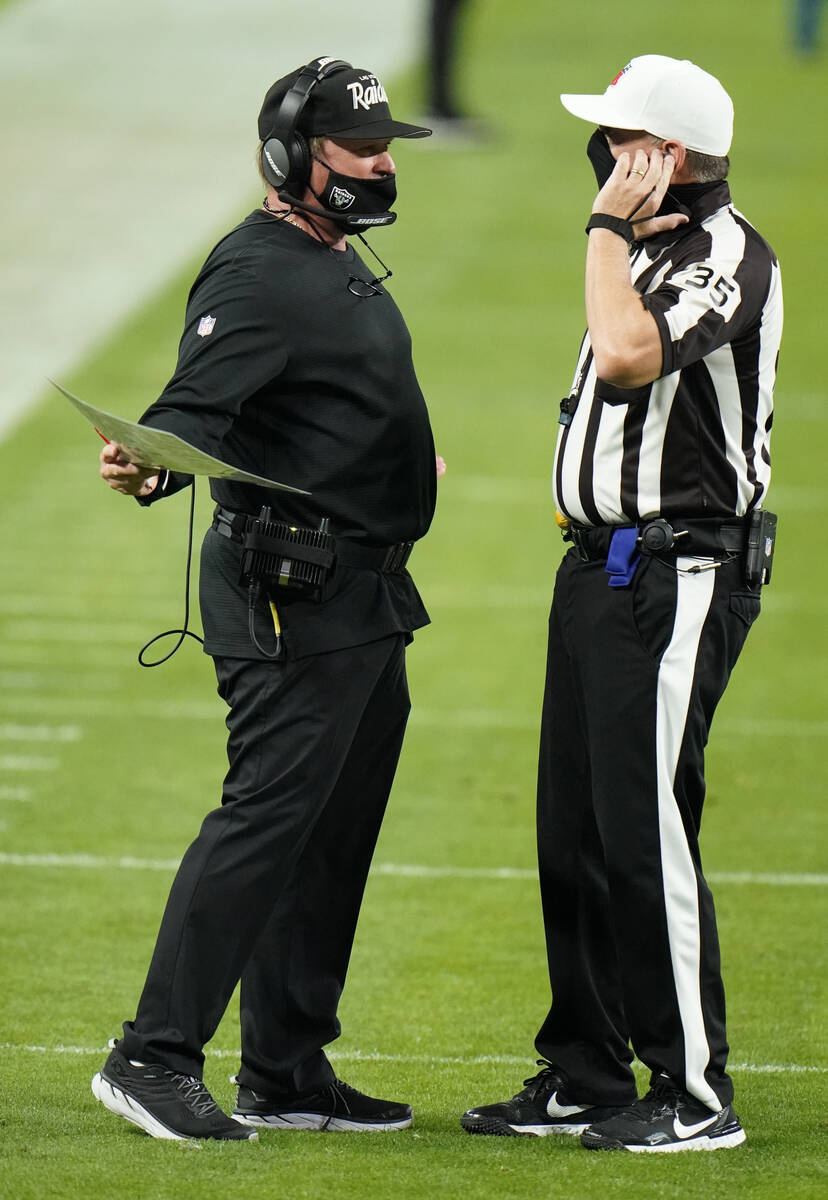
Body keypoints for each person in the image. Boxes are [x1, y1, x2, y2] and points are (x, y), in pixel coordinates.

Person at [92, 56, 441, 1142]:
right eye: (362, 150)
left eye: (387, 147)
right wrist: (151, 467)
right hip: (292, 592)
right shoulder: (254, 271)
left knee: (330, 834)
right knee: (265, 822)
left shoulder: (330, 253)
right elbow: (189, 411)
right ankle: (151, 1058)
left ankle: (285, 1070)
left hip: (365, 594)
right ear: (296, 157)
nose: (382, 167)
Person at [461, 55, 782, 1153]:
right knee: (577, 832)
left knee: (647, 833)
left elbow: (632, 356)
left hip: (677, 570)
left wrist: (604, 230)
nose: (598, 157)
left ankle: (695, 1094)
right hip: (600, 567)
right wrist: (619, 238)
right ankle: (587, 1071)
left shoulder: (727, 254)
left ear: (667, 159)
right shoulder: (650, 253)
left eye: (616, 142)